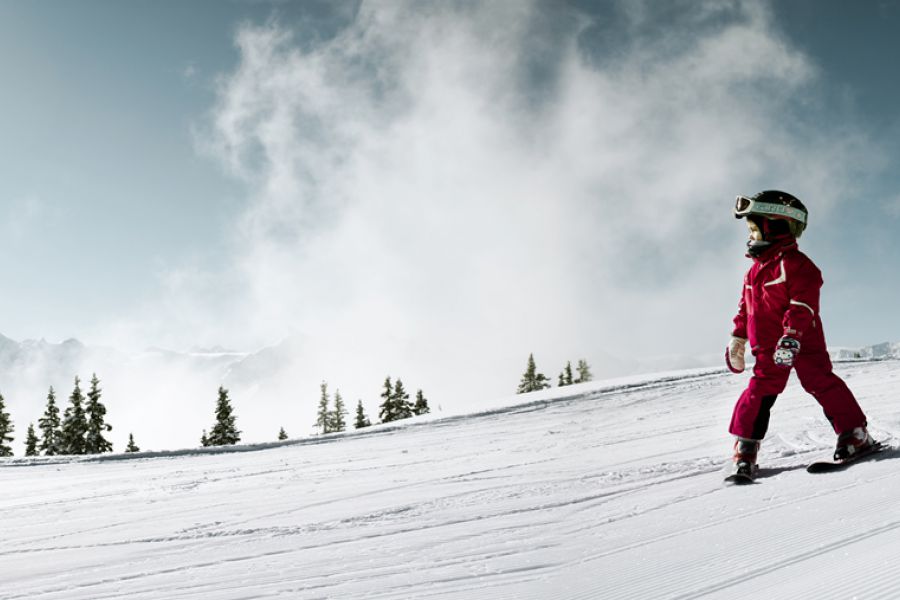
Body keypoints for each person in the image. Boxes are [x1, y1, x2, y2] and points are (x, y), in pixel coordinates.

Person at [725, 190, 874, 478]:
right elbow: (745, 308)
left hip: (802, 342)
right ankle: (746, 445)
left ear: (778, 226)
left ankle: (854, 434)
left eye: (756, 228)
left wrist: (792, 335)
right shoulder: (753, 273)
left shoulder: (798, 265)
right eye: (751, 230)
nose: (752, 235)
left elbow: (802, 305)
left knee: (821, 382)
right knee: (759, 390)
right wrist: (738, 337)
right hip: (766, 347)